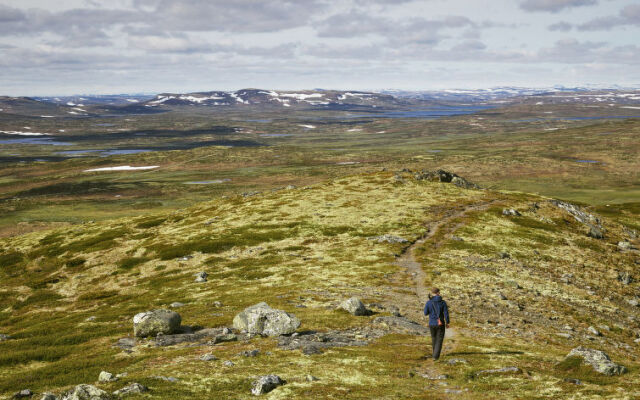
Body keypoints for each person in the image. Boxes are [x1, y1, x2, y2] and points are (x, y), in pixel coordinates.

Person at [423, 287, 450, 361]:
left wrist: (430, 311)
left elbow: (425, 313)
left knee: (434, 338)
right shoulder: (443, 302)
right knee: (439, 339)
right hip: (440, 323)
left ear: (432, 293)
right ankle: (435, 356)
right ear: (438, 293)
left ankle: (434, 353)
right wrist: (447, 322)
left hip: (431, 323)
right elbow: (446, 313)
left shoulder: (429, 302)